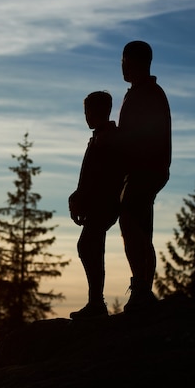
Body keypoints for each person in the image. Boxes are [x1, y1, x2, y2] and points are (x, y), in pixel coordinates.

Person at [118, 40, 172, 312]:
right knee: (136, 225)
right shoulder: (140, 92)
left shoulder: (149, 93)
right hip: (141, 170)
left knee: (132, 223)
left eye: (124, 60)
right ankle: (141, 287)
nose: (122, 66)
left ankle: (141, 288)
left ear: (136, 61)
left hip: (145, 170)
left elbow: (147, 136)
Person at [69, 91, 124, 320]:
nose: (86, 116)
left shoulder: (107, 138)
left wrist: (82, 198)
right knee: (90, 246)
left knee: (89, 245)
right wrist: (78, 196)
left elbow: (100, 177)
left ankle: (96, 304)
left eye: (87, 112)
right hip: (100, 204)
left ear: (92, 112)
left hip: (103, 204)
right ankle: (95, 302)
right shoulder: (103, 136)